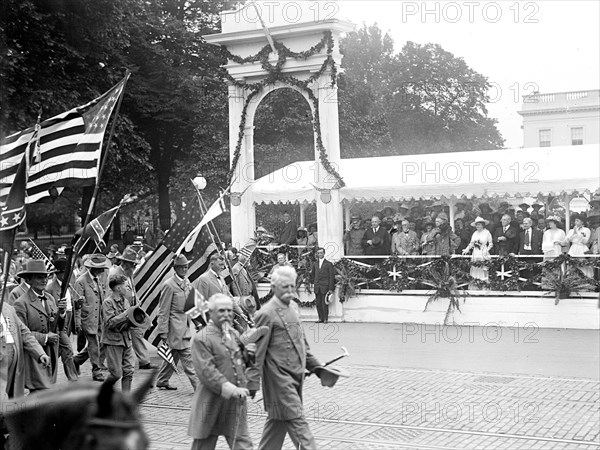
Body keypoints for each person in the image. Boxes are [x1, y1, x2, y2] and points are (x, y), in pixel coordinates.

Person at [247, 266, 327, 450]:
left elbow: (303, 346)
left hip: (295, 380)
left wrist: (319, 369)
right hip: (278, 384)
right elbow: (257, 352)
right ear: (274, 287)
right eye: (285, 287)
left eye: (293, 286)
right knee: (301, 430)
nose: (290, 291)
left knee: (275, 429)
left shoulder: (293, 308)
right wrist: (251, 382)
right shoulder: (265, 314)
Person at [188, 294, 254, 450]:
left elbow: (242, 363)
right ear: (210, 313)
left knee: (243, 445)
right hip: (211, 402)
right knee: (204, 445)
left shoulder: (234, 334)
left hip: (235, 403)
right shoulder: (202, 338)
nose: (227, 315)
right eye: (221, 311)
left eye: (230, 311)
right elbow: (207, 372)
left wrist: (252, 353)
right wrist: (231, 389)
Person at [13, 260, 65, 391]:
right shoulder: (21, 303)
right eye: (39, 277)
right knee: (38, 390)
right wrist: (45, 338)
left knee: (48, 389)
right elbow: (21, 333)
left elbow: (58, 326)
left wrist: (62, 313)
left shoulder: (50, 299)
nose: (44, 281)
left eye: (45, 277)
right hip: (34, 354)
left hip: (51, 352)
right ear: (29, 280)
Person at [156, 255, 199, 391]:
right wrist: (163, 331)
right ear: (175, 268)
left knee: (173, 354)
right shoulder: (169, 285)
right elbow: (163, 310)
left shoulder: (187, 282)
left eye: (186, 267)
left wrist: (197, 321)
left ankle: (162, 380)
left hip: (184, 326)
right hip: (175, 328)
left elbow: (191, 304)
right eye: (181, 267)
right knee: (188, 359)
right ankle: (200, 388)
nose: (184, 269)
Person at [111, 247, 157, 371]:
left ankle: (144, 361)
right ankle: (89, 359)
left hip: (131, 310)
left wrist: (137, 300)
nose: (135, 267)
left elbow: (132, 289)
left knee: (136, 333)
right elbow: (110, 294)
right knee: (112, 338)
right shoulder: (115, 274)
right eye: (133, 265)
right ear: (125, 264)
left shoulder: (129, 274)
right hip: (120, 311)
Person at [1, 301, 51, 405]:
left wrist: (40, 353)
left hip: (13, 363)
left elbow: (24, 332)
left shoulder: (8, 308)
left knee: (11, 398)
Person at [73, 254, 111, 382]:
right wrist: (77, 322)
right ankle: (96, 370)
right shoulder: (81, 281)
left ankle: (76, 360)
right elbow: (76, 304)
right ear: (93, 268)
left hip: (99, 318)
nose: (102, 270)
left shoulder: (98, 279)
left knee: (98, 343)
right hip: (87, 318)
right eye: (100, 268)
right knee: (94, 343)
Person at [44, 258, 79, 381]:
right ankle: (72, 378)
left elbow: (69, 303)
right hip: (57, 323)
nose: (68, 274)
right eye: (65, 272)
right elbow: (49, 307)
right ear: (58, 273)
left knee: (59, 351)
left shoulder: (67, 284)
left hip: (67, 318)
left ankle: (47, 376)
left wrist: (77, 304)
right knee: (68, 349)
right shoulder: (50, 288)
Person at [101, 275, 135, 392]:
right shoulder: (107, 303)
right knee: (116, 374)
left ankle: (126, 400)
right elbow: (110, 323)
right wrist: (127, 313)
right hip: (113, 342)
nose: (128, 288)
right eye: (126, 286)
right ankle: (103, 394)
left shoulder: (125, 301)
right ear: (118, 288)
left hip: (126, 340)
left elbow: (129, 319)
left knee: (129, 371)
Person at [462, 217, 493, 288]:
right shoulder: (475, 233)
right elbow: (471, 243)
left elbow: (491, 244)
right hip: (475, 253)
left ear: (482, 225)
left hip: (483, 253)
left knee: (483, 268)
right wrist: (466, 249)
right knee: (475, 268)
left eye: (479, 224)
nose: (477, 226)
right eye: (476, 225)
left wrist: (487, 250)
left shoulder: (487, 232)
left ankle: (484, 287)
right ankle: (475, 287)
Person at [310, 247, 335, 324]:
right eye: (318, 253)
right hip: (317, 286)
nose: (320, 254)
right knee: (318, 303)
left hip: (325, 286)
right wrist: (314, 282)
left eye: (321, 253)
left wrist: (331, 288)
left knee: (325, 304)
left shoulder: (329, 264)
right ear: (317, 254)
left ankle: (325, 319)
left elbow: (331, 276)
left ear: (324, 253)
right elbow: (313, 274)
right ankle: (320, 318)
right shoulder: (315, 264)